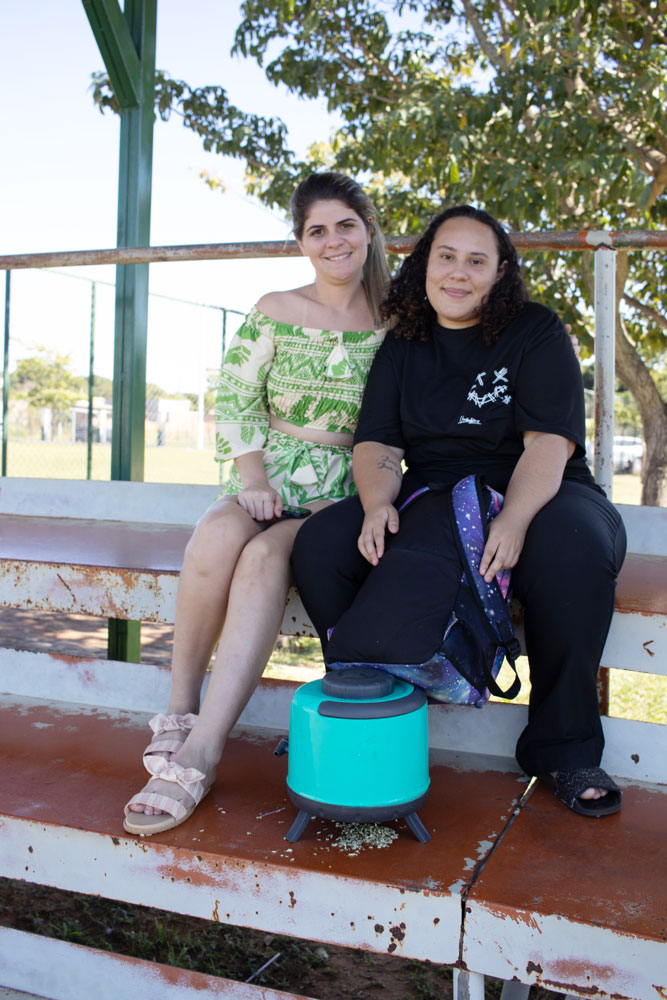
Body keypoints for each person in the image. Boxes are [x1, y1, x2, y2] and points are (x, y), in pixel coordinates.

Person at [291, 204, 627, 818]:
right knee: (321, 544)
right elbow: (379, 444)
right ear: (424, 264)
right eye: (446, 256)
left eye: (477, 261)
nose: (458, 273)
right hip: (438, 495)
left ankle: (565, 748)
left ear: (499, 274)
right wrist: (374, 506)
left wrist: (515, 520)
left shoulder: (535, 330)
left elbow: (548, 444)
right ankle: (376, 702)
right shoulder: (403, 344)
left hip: (544, 491)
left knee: (574, 547)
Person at [123, 172, 390, 835]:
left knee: (265, 560)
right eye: (315, 231)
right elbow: (237, 392)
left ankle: (203, 752)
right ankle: (181, 706)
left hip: (343, 486)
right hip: (270, 468)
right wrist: (251, 477)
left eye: (344, 225)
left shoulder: (393, 321)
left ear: (367, 229)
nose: (333, 241)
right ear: (301, 243)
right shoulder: (276, 305)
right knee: (216, 534)